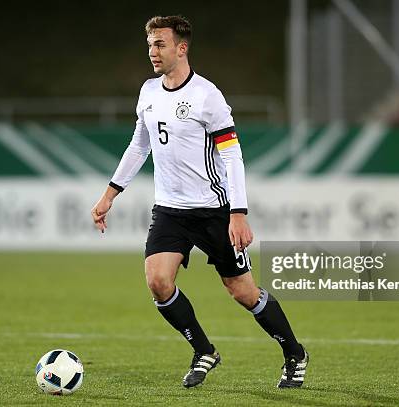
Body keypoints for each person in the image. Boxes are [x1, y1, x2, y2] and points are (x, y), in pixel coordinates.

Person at [91, 15, 308, 389]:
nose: (152, 52)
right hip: (170, 210)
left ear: (182, 47)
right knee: (158, 281)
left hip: (214, 209)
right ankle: (204, 350)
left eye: (160, 44)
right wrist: (110, 193)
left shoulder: (207, 96)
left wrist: (238, 213)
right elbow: (139, 145)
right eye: (150, 45)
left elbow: (232, 156)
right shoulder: (148, 92)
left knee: (242, 292)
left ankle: (294, 353)